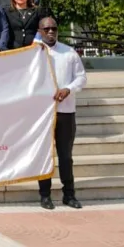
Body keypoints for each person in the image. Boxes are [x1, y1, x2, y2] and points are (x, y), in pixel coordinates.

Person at [37, 16, 87, 210]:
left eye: (54, 29)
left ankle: (69, 194)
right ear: (40, 31)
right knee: (44, 156)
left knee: (65, 155)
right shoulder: (33, 54)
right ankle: (45, 195)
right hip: (43, 114)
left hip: (66, 111)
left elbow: (81, 78)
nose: (51, 32)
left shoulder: (69, 52)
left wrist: (68, 89)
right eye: (46, 29)